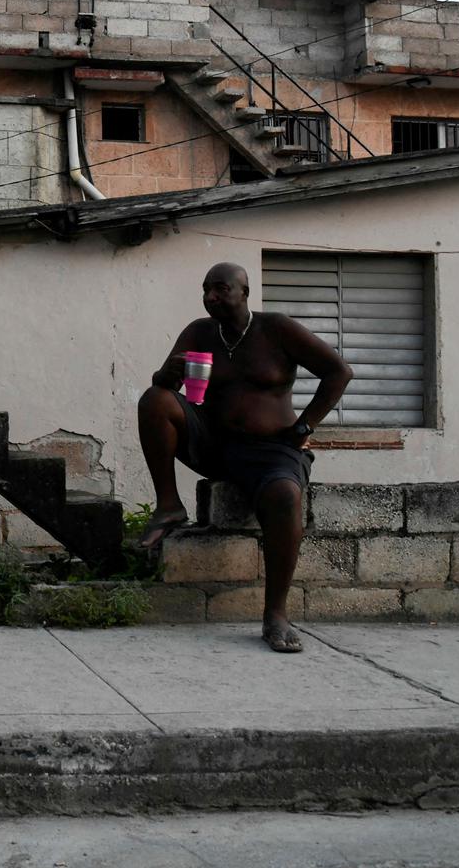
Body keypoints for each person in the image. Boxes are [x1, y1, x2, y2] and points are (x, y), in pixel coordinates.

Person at [134, 263, 352, 653]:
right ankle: (168, 505)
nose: (210, 297)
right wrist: (165, 375)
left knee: (286, 497)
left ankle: (276, 615)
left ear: (245, 291)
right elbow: (164, 388)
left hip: (273, 451)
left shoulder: (277, 328)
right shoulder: (200, 331)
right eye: (205, 290)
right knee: (154, 401)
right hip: (215, 444)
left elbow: (338, 372)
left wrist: (305, 427)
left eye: (220, 289)